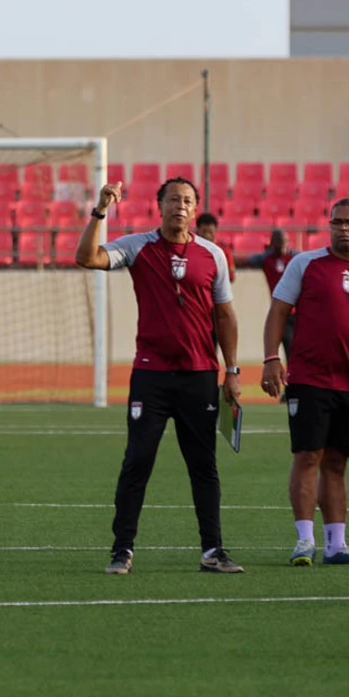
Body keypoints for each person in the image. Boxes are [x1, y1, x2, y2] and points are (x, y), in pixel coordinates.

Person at [77, 178, 243, 575]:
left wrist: (232, 371)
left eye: (187, 200)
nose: (180, 206)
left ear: (195, 206)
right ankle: (122, 550)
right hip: (151, 377)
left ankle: (212, 550)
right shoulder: (138, 246)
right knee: (137, 461)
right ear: (160, 206)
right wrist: (100, 210)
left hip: (200, 375)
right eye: (173, 200)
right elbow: (88, 257)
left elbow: (225, 315)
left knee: (203, 465)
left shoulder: (213, 255)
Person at [260, 199, 349, 566]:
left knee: (337, 464)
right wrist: (272, 358)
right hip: (308, 379)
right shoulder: (305, 265)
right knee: (307, 455)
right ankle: (304, 541)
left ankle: (336, 545)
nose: (343, 229)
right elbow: (277, 311)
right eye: (337, 222)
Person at [252, 229, 297, 360]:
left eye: (285, 242)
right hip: (281, 312)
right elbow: (249, 260)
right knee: (288, 345)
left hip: (298, 311)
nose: (282, 246)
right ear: (272, 244)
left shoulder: (295, 259)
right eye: (279, 243)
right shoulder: (267, 259)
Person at [195, 212, 236, 283]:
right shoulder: (191, 249)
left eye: (210, 232)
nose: (207, 236)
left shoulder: (223, 250)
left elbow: (231, 276)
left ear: (215, 231)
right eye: (204, 232)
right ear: (197, 230)